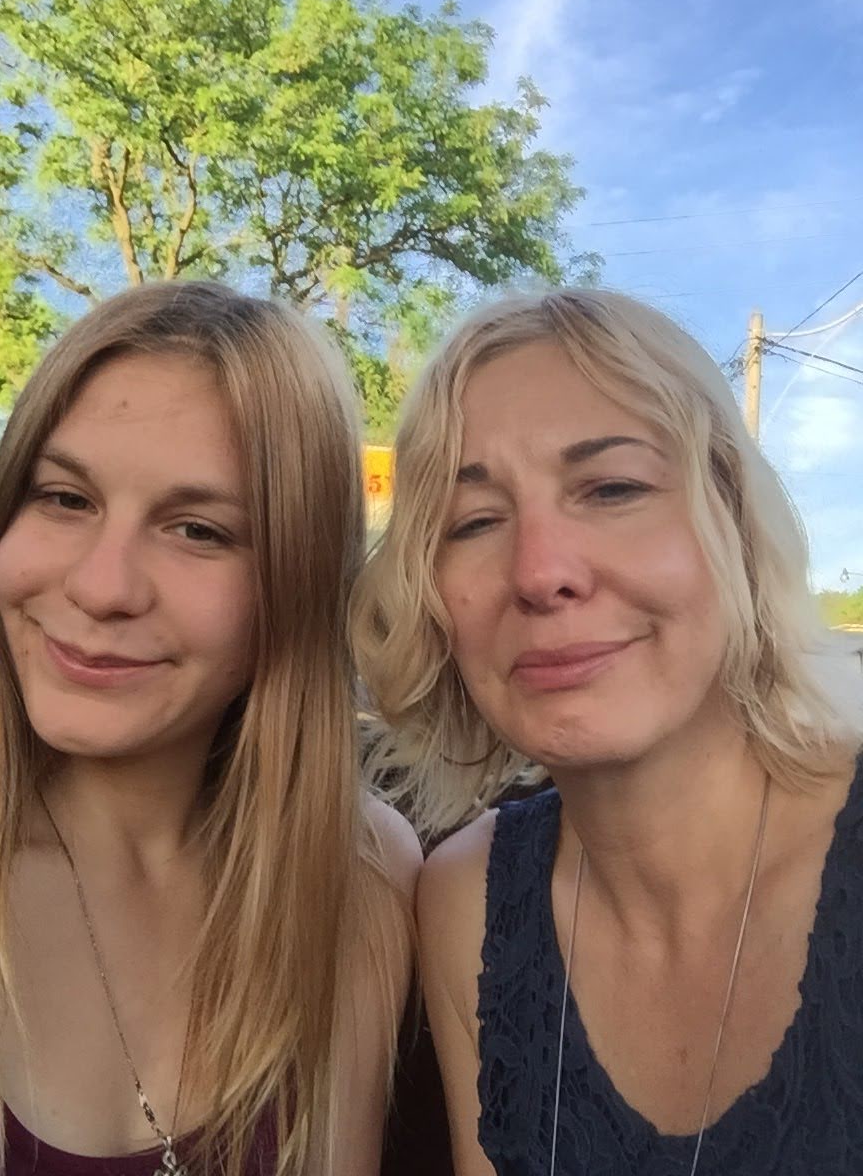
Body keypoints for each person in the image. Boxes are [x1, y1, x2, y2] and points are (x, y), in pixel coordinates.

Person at [0, 281, 419, 1176]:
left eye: (198, 530)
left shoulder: (361, 880)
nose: (103, 587)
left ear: (297, 587)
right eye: (65, 498)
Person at [352, 289, 863, 1176]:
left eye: (613, 488)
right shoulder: (469, 899)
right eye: (473, 522)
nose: (540, 571)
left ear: (733, 524)